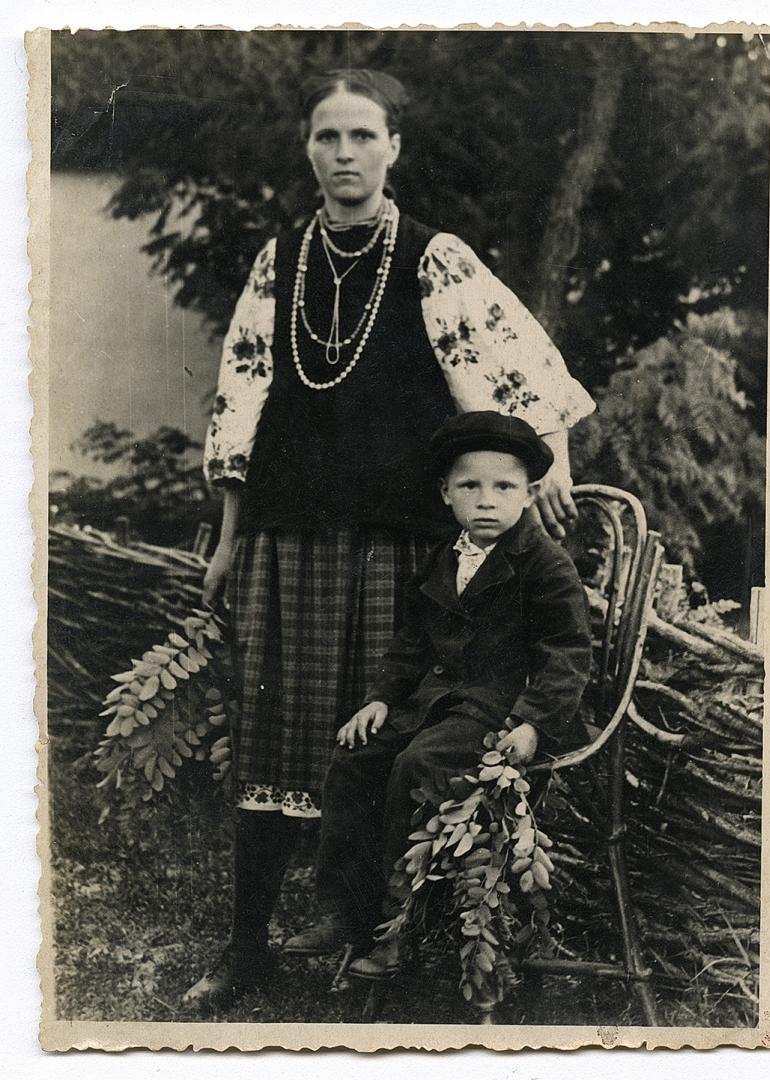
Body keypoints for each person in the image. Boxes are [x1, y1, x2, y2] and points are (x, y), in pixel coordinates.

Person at [184, 67, 595, 1009]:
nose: (343, 156)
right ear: (308, 148)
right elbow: (239, 404)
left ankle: (367, 932)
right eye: (327, 137)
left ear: (393, 147)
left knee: (376, 736)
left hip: (395, 544)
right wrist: (227, 538)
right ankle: (247, 944)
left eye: (362, 136)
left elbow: (518, 358)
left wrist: (550, 456)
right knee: (273, 737)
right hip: (288, 539)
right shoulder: (276, 263)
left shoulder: (432, 258)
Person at [282, 411, 593, 978]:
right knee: (355, 759)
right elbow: (410, 642)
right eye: (469, 486)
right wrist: (380, 697)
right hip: (433, 703)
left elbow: (566, 652)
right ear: (445, 494)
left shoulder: (544, 564)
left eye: (504, 487)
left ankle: (396, 926)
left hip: (497, 712)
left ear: (528, 496)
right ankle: (344, 911)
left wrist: (533, 723)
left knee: (416, 767)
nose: (486, 500)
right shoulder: (443, 558)